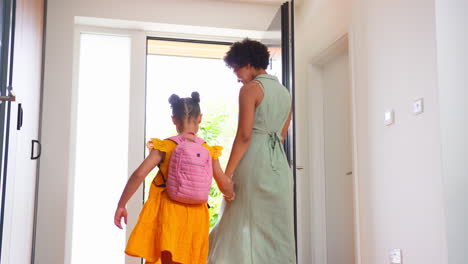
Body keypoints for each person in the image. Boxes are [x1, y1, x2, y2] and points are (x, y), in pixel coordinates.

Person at [114, 92, 235, 264]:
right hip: (196, 217)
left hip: (169, 213)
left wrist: (121, 204)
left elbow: (139, 174)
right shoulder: (208, 150)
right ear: (199, 118)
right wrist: (230, 194)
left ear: (174, 119)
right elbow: (223, 183)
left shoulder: (165, 146)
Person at [208, 38, 296, 263]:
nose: (236, 75)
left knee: (237, 222)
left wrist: (226, 176)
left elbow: (244, 136)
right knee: (274, 230)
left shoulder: (251, 89)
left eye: (236, 68)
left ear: (247, 64)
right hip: (278, 166)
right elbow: (281, 135)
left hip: (254, 163)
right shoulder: (285, 94)